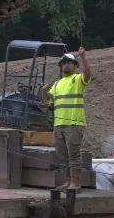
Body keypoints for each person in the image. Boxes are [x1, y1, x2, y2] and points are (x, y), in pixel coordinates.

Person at [41, 47, 92, 193]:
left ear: (75, 66)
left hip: (74, 123)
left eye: (69, 63)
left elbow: (87, 76)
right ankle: (68, 182)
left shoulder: (77, 79)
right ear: (61, 66)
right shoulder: (57, 84)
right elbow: (48, 104)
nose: (66, 65)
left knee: (73, 154)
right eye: (64, 63)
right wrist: (44, 93)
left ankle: (76, 183)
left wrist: (83, 58)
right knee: (63, 156)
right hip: (59, 125)